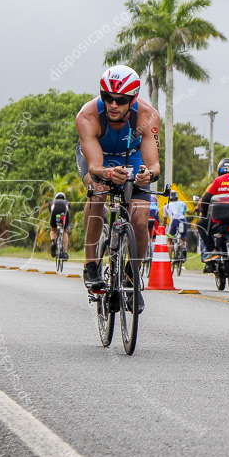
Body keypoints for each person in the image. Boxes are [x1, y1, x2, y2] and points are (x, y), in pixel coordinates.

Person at [75, 64, 161, 313]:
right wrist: (107, 174)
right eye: (107, 98)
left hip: (130, 156)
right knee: (99, 190)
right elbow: (94, 166)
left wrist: (147, 175)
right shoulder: (87, 116)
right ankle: (91, 264)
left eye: (120, 100)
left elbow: (153, 164)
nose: (113, 105)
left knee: (141, 217)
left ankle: (131, 278)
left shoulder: (147, 116)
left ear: (132, 99)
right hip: (98, 157)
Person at [49, 192, 72, 259]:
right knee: (65, 231)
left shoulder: (52, 202)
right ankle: (65, 253)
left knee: (53, 230)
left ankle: (54, 242)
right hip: (64, 213)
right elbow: (68, 211)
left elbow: (51, 212)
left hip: (55, 213)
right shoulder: (66, 202)